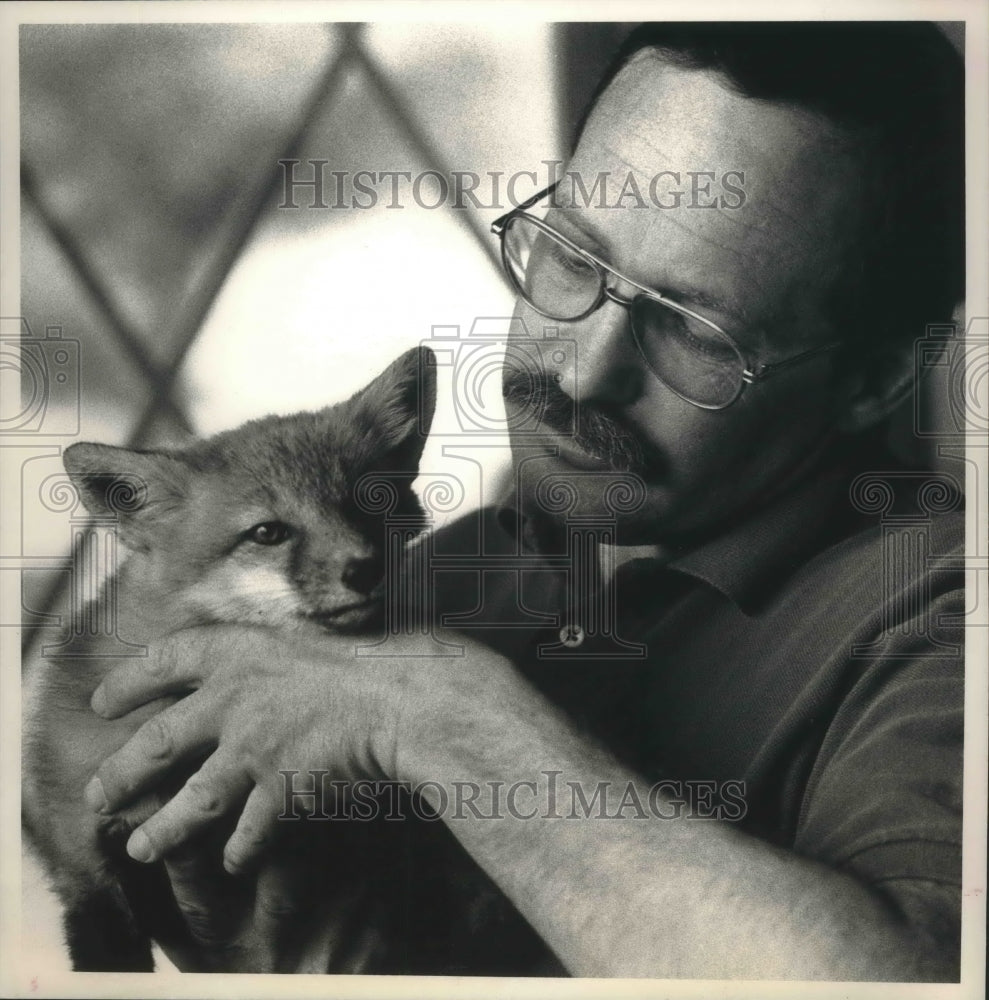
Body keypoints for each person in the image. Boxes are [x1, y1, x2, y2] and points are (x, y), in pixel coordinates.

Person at [81, 22, 966, 980]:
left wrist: (437, 715)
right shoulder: (452, 564)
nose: (581, 372)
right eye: (573, 260)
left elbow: (906, 978)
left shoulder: (938, 620)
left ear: (872, 381)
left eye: (693, 331)